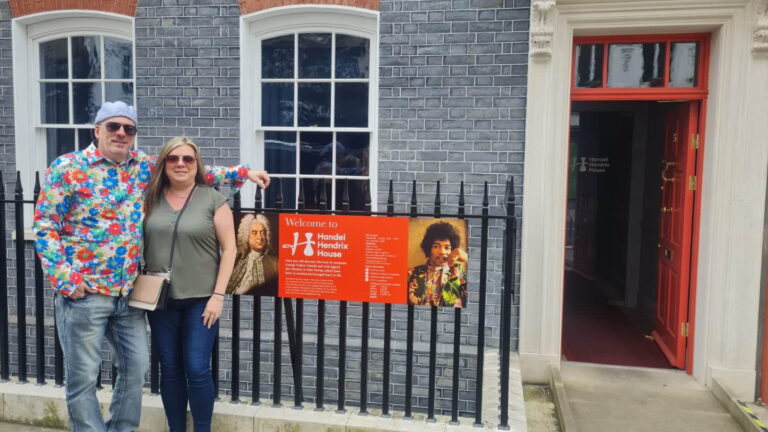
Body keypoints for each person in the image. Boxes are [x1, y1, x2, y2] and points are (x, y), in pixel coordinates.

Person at [33, 101, 270, 432]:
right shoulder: (67, 168)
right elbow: (45, 227)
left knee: (137, 370)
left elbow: (192, 169)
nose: (121, 133)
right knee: (84, 377)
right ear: (97, 130)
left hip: (130, 294)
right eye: (113, 127)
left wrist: (243, 173)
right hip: (84, 293)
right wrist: (66, 279)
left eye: (128, 129)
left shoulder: (142, 167)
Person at [143, 137, 238, 432]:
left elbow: (230, 249)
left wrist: (218, 296)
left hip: (201, 300)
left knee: (197, 368)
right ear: (164, 164)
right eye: (173, 159)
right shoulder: (149, 197)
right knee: (169, 370)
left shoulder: (212, 199)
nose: (181, 164)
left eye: (188, 159)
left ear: (197, 165)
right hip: (159, 299)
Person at [407, 221, 468, 307]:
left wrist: (467, 258)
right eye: (436, 246)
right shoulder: (411, 273)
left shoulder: (458, 272)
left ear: (452, 250)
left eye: (447, 247)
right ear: (428, 248)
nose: (442, 252)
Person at [226, 213, 278, 296]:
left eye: (263, 232)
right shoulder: (236, 260)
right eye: (254, 233)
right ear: (246, 236)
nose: (260, 237)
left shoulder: (274, 264)